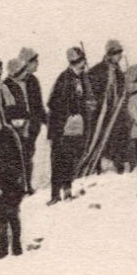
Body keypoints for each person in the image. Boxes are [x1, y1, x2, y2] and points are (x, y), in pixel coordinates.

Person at [46, 46, 93, 202]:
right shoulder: (64, 79)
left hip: (75, 127)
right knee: (58, 161)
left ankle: (67, 191)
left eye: (83, 61)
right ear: (73, 63)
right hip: (61, 128)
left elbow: (87, 98)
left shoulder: (82, 78)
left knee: (70, 160)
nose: (82, 65)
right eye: (79, 62)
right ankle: (55, 195)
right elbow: (52, 102)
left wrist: (87, 105)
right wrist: (70, 108)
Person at [0, 101, 33, 259]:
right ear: (9, 120)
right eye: (16, 119)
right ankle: (3, 247)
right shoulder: (3, 137)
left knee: (13, 215)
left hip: (15, 184)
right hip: (2, 184)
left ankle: (16, 245)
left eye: (22, 119)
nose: (20, 122)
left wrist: (23, 182)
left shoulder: (20, 136)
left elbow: (23, 163)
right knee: (2, 217)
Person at [85, 39, 129, 173]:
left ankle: (119, 164)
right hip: (101, 114)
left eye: (120, 53)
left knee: (119, 136)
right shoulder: (97, 71)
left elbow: (122, 91)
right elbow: (91, 92)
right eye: (117, 53)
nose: (120, 56)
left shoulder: (118, 72)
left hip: (116, 113)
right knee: (99, 138)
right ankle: (97, 167)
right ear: (110, 54)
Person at [3, 48, 44, 178]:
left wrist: (47, 121)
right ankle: (20, 187)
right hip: (16, 129)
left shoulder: (33, 81)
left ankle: (27, 185)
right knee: (16, 158)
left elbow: (38, 105)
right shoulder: (6, 85)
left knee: (28, 155)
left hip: (32, 126)